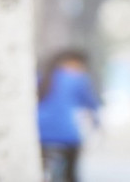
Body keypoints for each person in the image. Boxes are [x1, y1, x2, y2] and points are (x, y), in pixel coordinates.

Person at [36, 48, 101, 182]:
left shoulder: (40, 77)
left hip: (39, 133)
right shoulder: (77, 79)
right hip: (66, 135)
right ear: (73, 62)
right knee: (70, 174)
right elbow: (92, 104)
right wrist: (97, 124)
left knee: (40, 171)